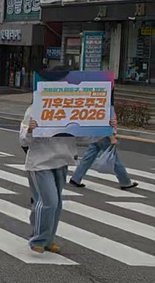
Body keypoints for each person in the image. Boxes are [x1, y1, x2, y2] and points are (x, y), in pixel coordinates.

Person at [18, 106, 114, 253]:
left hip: (62, 161)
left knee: (56, 204)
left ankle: (48, 239)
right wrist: (30, 130)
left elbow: (83, 137)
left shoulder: (70, 109)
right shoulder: (34, 109)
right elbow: (23, 140)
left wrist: (105, 127)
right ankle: (38, 239)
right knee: (49, 202)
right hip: (39, 163)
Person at [68, 112, 138, 190]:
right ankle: (125, 182)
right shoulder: (107, 107)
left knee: (88, 158)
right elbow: (106, 123)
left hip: (95, 134)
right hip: (105, 136)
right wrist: (112, 138)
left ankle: (76, 178)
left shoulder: (98, 106)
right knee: (114, 160)